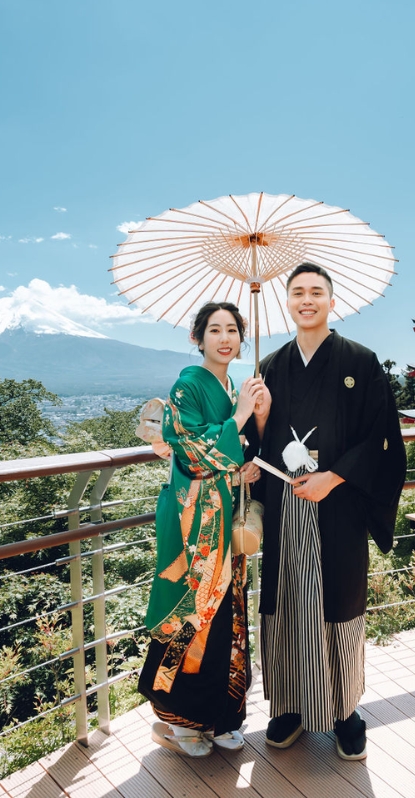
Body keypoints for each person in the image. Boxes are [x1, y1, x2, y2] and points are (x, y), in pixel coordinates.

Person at [246, 262, 406, 760]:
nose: (307, 300)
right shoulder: (269, 365)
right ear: (287, 303)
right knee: (288, 602)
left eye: (317, 292)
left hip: (338, 503)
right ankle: (290, 706)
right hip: (285, 505)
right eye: (298, 293)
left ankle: (344, 712)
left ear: (332, 302)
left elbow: (381, 438)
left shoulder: (361, 360)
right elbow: (256, 442)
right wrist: (263, 416)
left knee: (339, 604)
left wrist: (333, 477)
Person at [138, 301, 266, 758]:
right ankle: (179, 719)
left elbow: (229, 455)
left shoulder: (234, 383)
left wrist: (243, 468)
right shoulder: (188, 385)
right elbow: (191, 454)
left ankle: (221, 715)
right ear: (198, 338)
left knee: (228, 614)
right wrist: (239, 416)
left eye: (233, 329)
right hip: (192, 521)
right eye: (215, 330)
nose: (225, 338)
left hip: (223, 516)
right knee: (194, 610)